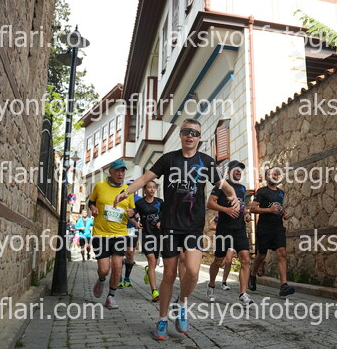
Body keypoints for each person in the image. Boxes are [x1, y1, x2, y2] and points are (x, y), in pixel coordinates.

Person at [114, 118, 238, 341]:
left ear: (199, 138)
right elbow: (144, 178)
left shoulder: (206, 161)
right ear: (180, 135)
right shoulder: (168, 159)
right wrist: (126, 192)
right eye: (186, 131)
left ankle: (181, 304)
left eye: (195, 133)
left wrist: (232, 195)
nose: (190, 135)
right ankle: (162, 319)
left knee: (192, 271)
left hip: (193, 226)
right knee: (170, 274)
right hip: (170, 225)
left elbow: (222, 184)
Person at [89, 160, 135, 309]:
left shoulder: (128, 190)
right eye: (117, 171)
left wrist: (132, 213)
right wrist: (93, 208)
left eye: (123, 171)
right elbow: (91, 202)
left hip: (120, 233)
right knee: (104, 269)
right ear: (110, 172)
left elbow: (133, 211)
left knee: (117, 266)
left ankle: (111, 296)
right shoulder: (100, 186)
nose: (120, 174)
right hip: (101, 233)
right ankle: (101, 279)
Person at [206, 160, 253, 305]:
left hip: (239, 228)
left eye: (240, 169)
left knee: (245, 259)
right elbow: (210, 203)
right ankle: (211, 285)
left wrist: (246, 214)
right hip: (224, 229)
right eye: (236, 169)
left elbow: (242, 206)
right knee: (219, 261)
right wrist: (226, 210)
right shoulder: (221, 185)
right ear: (229, 171)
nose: (239, 171)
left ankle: (243, 294)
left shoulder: (242, 188)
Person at [248, 168, 295, 297]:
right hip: (264, 228)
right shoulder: (262, 191)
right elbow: (253, 208)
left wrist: (283, 213)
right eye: (270, 174)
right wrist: (269, 210)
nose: (273, 176)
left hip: (278, 228)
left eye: (275, 174)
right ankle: (252, 275)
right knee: (261, 255)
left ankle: (284, 286)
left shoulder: (281, 193)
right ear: (266, 177)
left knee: (282, 253)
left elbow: (278, 206)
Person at [134, 180, 163, 302]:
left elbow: (166, 214)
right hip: (146, 235)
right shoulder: (139, 203)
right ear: (144, 190)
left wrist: (162, 222)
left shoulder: (160, 202)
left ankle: (148, 270)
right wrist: (136, 223)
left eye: (153, 187)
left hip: (158, 236)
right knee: (151, 260)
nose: (152, 189)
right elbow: (131, 215)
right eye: (149, 187)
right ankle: (154, 291)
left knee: (153, 264)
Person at [118, 186, 142, 288]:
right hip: (119, 228)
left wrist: (139, 215)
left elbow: (143, 211)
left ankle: (127, 278)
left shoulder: (139, 199)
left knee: (130, 253)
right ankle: (118, 278)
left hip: (132, 229)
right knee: (119, 253)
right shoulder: (119, 197)